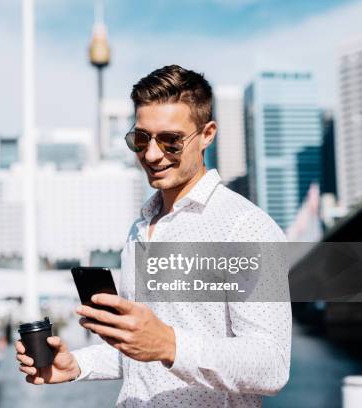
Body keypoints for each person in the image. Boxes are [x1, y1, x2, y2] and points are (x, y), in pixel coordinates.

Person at [16, 65, 291, 407]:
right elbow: (142, 353)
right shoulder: (140, 228)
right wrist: (77, 365)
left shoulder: (244, 227)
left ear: (207, 134)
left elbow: (271, 365)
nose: (151, 154)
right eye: (141, 139)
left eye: (171, 141)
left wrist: (169, 344)